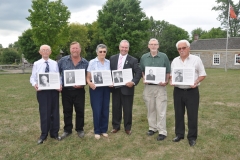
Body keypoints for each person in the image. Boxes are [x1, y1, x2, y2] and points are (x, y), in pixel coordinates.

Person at [170, 39, 206, 147]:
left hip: (192, 91)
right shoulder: (175, 61)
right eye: (179, 48)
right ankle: (179, 134)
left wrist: (196, 81)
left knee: (192, 115)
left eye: (183, 48)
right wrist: (171, 80)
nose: (181, 50)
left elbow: (202, 74)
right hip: (178, 91)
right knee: (179, 114)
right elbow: (172, 75)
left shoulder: (196, 59)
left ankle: (192, 137)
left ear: (189, 48)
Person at [139, 38, 170, 141]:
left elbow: (168, 71)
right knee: (150, 108)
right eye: (151, 44)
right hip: (148, 87)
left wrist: (165, 81)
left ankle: (162, 131)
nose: (153, 46)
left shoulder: (164, 56)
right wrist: (144, 78)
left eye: (155, 44)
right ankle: (152, 128)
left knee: (161, 109)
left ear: (158, 46)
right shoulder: (144, 57)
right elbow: (142, 71)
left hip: (160, 87)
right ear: (148, 46)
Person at [30, 44, 61, 144]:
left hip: (53, 91)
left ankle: (54, 133)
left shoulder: (54, 63)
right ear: (40, 52)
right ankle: (43, 135)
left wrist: (60, 85)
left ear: (50, 52)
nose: (45, 51)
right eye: (43, 50)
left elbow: (58, 76)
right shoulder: (36, 64)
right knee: (44, 113)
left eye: (47, 50)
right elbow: (32, 78)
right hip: (42, 92)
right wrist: (35, 84)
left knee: (55, 112)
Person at [109, 39, 142, 135]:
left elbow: (138, 72)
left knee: (127, 109)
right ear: (119, 47)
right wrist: (109, 81)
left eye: (126, 47)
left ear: (128, 48)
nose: (124, 49)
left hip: (127, 88)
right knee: (116, 108)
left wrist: (133, 82)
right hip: (115, 88)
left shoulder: (133, 60)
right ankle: (116, 126)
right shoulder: (112, 58)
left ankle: (127, 127)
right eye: (122, 47)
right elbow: (109, 71)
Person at [58, 41, 89, 139]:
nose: (75, 50)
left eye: (76, 48)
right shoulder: (63, 60)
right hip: (66, 91)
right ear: (70, 49)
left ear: (80, 49)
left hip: (79, 91)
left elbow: (88, 78)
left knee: (80, 110)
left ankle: (80, 129)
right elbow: (56, 73)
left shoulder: (85, 63)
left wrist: (83, 83)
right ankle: (67, 130)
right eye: (73, 48)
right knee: (67, 110)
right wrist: (59, 83)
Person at [86, 44, 111, 139]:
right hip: (95, 88)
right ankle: (97, 130)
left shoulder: (108, 62)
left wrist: (111, 82)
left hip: (106, 88)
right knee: (97, 109)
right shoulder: (92, 62)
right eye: (100, 51)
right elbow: (88, 77)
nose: (102, 53)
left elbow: (110, 75)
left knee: (105, 108)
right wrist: (89, 83)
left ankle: (104, 129)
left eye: (104, 51)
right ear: (97, 52)